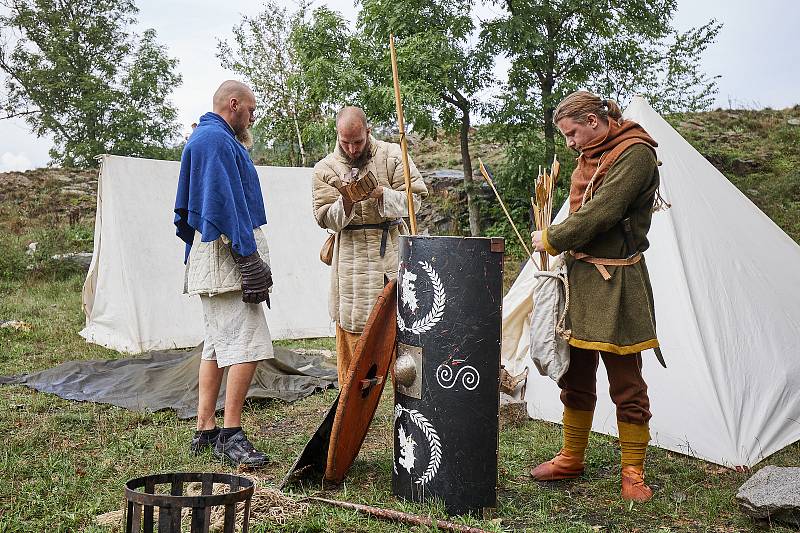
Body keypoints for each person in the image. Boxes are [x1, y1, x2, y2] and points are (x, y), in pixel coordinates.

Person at [531, 90, 661, 502]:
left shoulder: (635, 154)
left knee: (626, 381)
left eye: (572, 133)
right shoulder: (591, 153)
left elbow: (603, 212)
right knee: (575, 373)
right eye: (566, 137)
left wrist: (551, 237)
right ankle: (572, 456)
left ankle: (633, 472)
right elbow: (584, 212)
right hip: (581, 278)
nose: (570, 143)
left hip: (618, 282)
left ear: (592, 120)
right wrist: (562, 245)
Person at [174, 80, 273, 467]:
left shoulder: (209, 138)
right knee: (248, 343)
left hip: (214, 256)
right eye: (250, 109)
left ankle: (205, 428)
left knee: (216, 345)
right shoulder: (215, 140)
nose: (252, 116)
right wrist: (247, 258)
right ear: (233, 104)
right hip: (225, 257)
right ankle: (231, 434)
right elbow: (222, 205)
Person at [311, 106, 427, 389]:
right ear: (337, 135)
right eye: (345, 142)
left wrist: (380, 194)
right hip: (350, 262)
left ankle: (408, 399)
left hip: (390, 254)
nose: (352, 149)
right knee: (352, 330)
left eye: (358, 142)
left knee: (402, 330)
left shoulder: (393, 156)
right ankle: (352, 404)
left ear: (368, 131)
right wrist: (347, 201)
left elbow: (416, 201)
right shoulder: (325, 169)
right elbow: (323, 216)